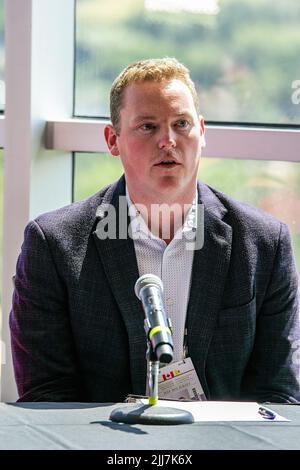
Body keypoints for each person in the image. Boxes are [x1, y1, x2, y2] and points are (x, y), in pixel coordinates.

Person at [10, 58, 300, 403]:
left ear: (202, 133)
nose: (168, 141)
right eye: (148, 126)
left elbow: (279, 392)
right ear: (112, 139)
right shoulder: (54, 245)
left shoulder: (264, 243)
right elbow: (46, 393)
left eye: (181, 124)